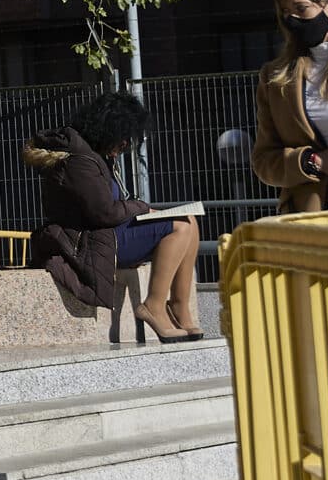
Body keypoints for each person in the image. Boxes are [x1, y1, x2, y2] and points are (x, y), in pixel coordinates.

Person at [26, 91, 201, 342]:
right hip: (87, 242)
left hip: (100, 233)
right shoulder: (80, 160)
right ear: (108, 129)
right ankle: (154, 305)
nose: (125, 146)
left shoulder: (91, 153)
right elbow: (104, 212)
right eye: (123, 139)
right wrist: (141, 208)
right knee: (180, 227)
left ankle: (180, 306)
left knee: (191, 222)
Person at [252, 0, 328, 216]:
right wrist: (314, 161)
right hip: (313, 215)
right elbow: (264, 161)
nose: (292, 19)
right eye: (285, 12)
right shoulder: (274, 78)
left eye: (301, 9)